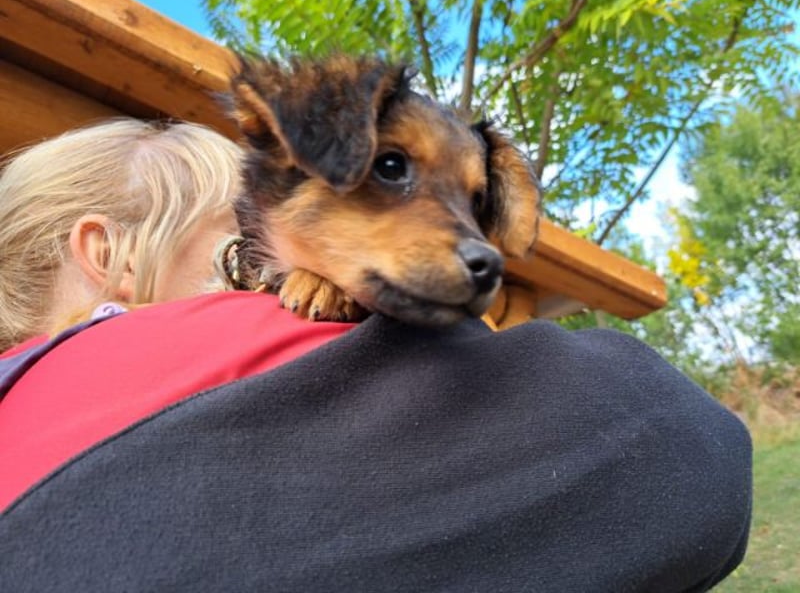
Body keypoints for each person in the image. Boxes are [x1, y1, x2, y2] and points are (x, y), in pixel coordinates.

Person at [0, 119, 751, 592]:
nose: (273, 289)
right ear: (109, 255)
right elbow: (682, 444)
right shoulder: (197, 348)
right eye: (238, 258)